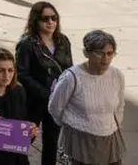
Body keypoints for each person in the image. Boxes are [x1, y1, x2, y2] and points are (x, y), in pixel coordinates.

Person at [47, 30, 127, 165]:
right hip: (78, 140)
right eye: (100, 53)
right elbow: (55, 107)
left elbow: (119, 107)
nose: (106, 58)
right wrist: (71, 126)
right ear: (86, 53)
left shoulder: (117, 75)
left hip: (109, 139)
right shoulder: (72, 78)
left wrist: (110, 126)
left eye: (110, 53)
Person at [16, 1, 73, 165]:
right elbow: (22, 74)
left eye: (54, 18)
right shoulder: (27, 44)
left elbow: (68, 68)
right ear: (36, 21)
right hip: (34, 101)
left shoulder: (63, 41)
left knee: (52, 142)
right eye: (45, 19)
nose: (50, 22)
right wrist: (44, 93)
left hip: (56, 101)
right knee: (23, 140)